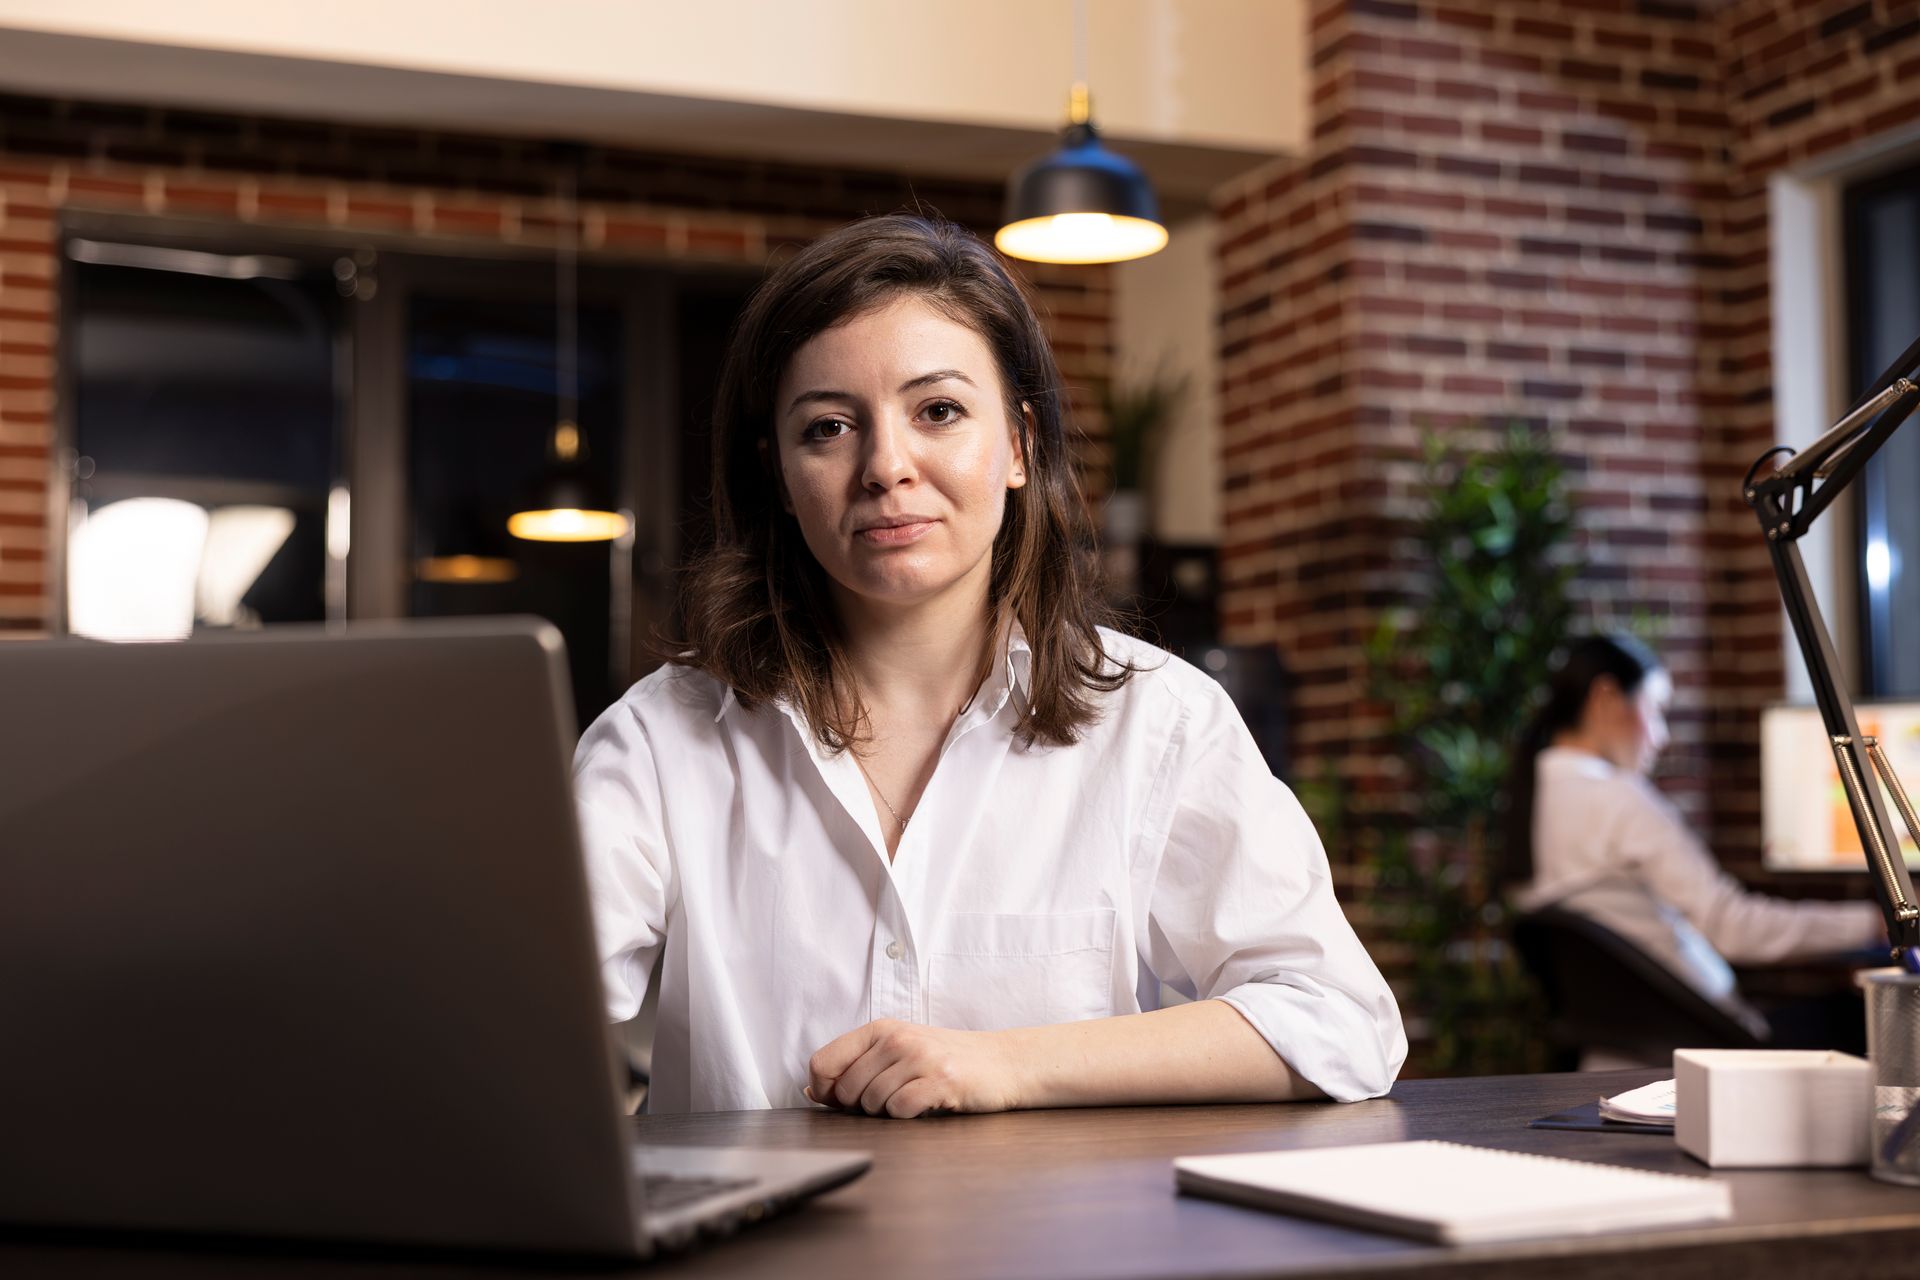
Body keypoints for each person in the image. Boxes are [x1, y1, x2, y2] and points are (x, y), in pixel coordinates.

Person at [572, 213, 1405, 1116]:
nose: (887, 466)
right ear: (777, 473)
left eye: (938, 411)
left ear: (1018, 444)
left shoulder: (1161, 723)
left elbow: (1339, 1024)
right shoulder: (661, 740)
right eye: (828, 428)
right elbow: (528, 1029)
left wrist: (1011, 1065)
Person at [1505, 634, 1883, 1047]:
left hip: (1625, 1042)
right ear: (1606, 697)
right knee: (1869, 1014)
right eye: (1656, 710)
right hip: (1708, 1044)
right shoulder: (1615, 798)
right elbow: (1733, 927)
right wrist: (1877, 922)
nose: (1661, 736)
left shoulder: (1531, 795)